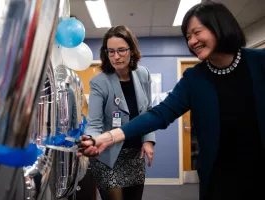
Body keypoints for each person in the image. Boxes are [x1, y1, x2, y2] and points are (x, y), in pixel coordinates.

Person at [79, 2, 265, 200]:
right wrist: (104, 138)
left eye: (197, 32)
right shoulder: (194, 78)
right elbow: (159, 114)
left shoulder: (259, 62)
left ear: (219, 26)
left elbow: (146, 108)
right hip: (218, 178)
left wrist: (147, 141)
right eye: (188, 37)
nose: (192, 42)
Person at [84, 25, 156, 200]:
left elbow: (146, 112)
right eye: (111, 51)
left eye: (121, 50)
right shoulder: (99, 82)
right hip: (108, 156)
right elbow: (94, 123)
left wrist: (148, 141)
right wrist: (92, 141)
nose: (116, 57)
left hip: (134, 156)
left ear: (131, 50)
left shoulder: (143, 74)